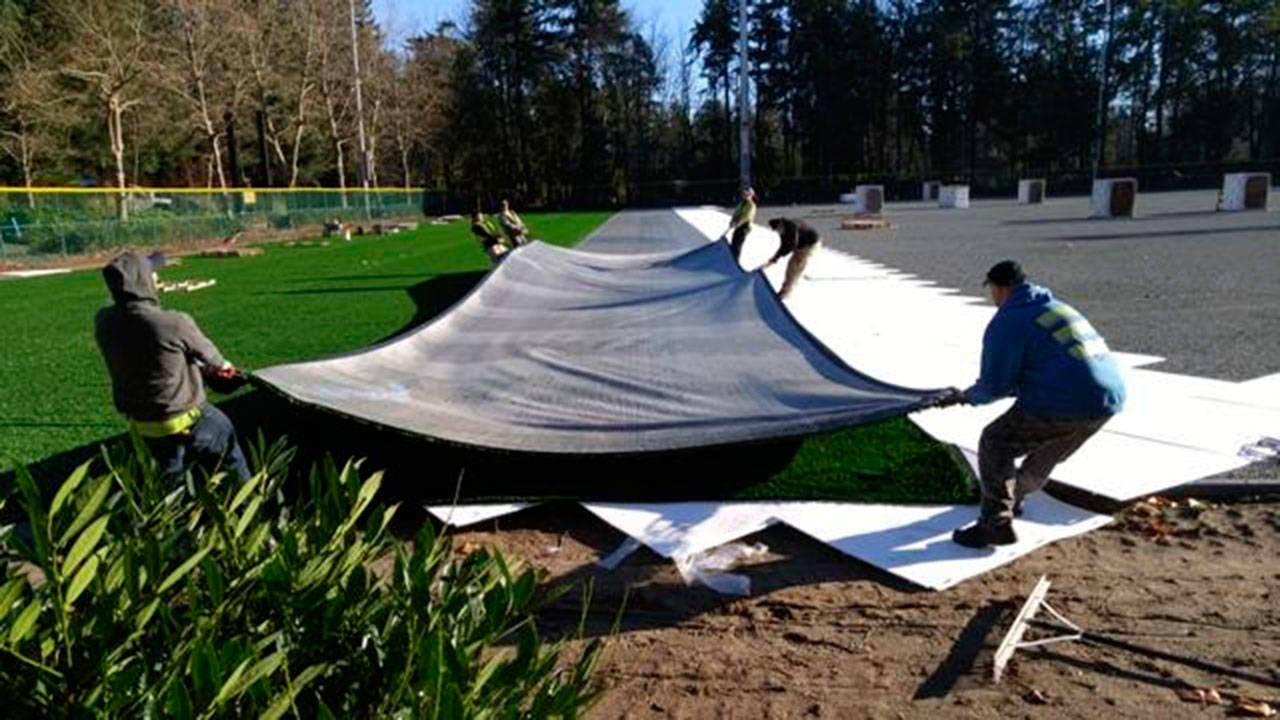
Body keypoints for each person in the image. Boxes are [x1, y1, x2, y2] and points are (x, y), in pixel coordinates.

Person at [943, 260, 1126, 549]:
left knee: (996, 442)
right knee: (1046, 450)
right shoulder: (1055, 308)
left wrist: (966, 397)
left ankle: (995, 524)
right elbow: (1047, 363)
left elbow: (995, 385)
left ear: (999, 288)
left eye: (991, 289)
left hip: (1064, 398)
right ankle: (1013, 500)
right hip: (1107, 400)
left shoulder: (1009, 320)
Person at [95, 251, 250, 481]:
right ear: (144, 281)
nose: (157, 278)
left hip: (142, 429)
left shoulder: (104, 321)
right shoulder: (173, 323)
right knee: (225, 437)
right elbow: (217, 362)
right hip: (186, 421)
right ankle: (249, 501)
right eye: (153, 274)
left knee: (170, 486)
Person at [763, 217, 822, 299]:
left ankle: (786, 292)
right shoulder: (784, 230)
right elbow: (783, 245)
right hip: (801, 243)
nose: (778, 232)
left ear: (780, 224)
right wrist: (775, 257)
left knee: (793, 266)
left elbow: (790, 245)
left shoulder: (791, 227)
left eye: (777, 230)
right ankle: (787, 288)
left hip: (810, 244)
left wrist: (778, 257)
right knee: (792, 266)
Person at [722, 187, 757, 262]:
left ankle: (736, 261)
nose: (744, 195)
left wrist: (738, 223)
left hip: (744, 227)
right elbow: (736, 213)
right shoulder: (741, 204)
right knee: (733, 243)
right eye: (743, 194)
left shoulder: (751, 205)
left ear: (750, 195)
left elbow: (747, 217)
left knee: (738, 245)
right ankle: (732, 260)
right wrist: (732, 221)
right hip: (737, 226)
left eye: (746, 194)